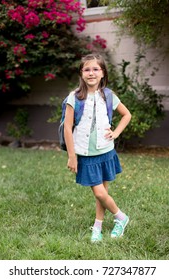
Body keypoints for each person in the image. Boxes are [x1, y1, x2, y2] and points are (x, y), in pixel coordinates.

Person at [64, 53, 131, 242]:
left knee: (102, 194)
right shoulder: (74, 97)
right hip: (85, 153)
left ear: (102, 73)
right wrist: (72, 156)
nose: (91, 73)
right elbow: (68, 129)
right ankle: (121, 217)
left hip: (106, 151)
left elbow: (126, 115)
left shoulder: (108, 96)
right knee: (99, 192)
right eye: (87, 69)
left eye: (96, 69)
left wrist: (116, 133)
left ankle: (99, 226)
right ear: (81, 73)